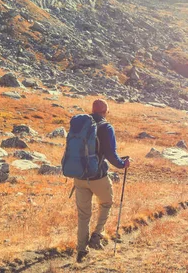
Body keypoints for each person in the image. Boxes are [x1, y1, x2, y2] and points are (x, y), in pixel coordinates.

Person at [75, 99, 130, 263]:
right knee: (106, 203)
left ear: (92, 110)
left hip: (79, 176)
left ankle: (81, 252)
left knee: (83, 216)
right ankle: (97, 235)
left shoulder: (81, 124)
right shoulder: (106, 127)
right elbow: (112, 155)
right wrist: (123, 164)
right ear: (105, 111)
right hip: (98, 176)